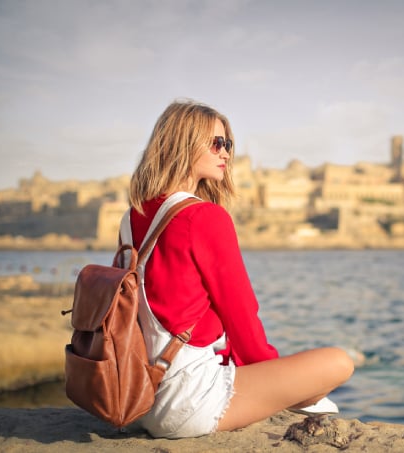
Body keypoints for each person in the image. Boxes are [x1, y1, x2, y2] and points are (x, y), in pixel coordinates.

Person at [123, 99, 354, 438]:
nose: (226, 153)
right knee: (339, 362)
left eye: (228, 144)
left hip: (139, 397)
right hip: (187, 401)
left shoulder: (133, 216)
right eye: (216, 143)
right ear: (183, 144)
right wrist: (281, 383)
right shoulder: (204, 217)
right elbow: (241, 315)